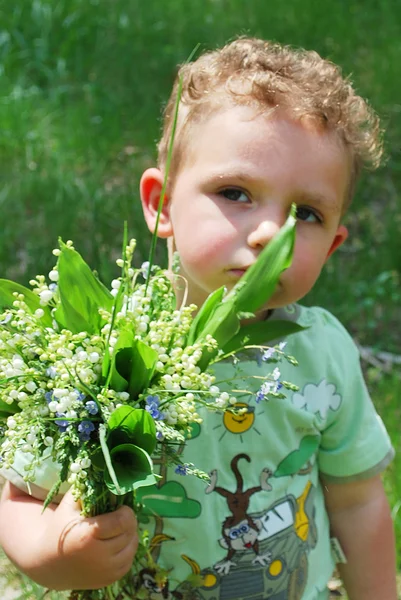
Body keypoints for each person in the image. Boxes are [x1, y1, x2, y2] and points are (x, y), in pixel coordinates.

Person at [0, 38, 397, 600]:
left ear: (331, 245)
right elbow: (17, 497)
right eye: (235, 193)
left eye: (304, 214)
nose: (268, 234)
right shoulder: (102, 345)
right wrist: (59, 554)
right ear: (161, 205)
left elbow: (357, 502)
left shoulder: (321, 350)